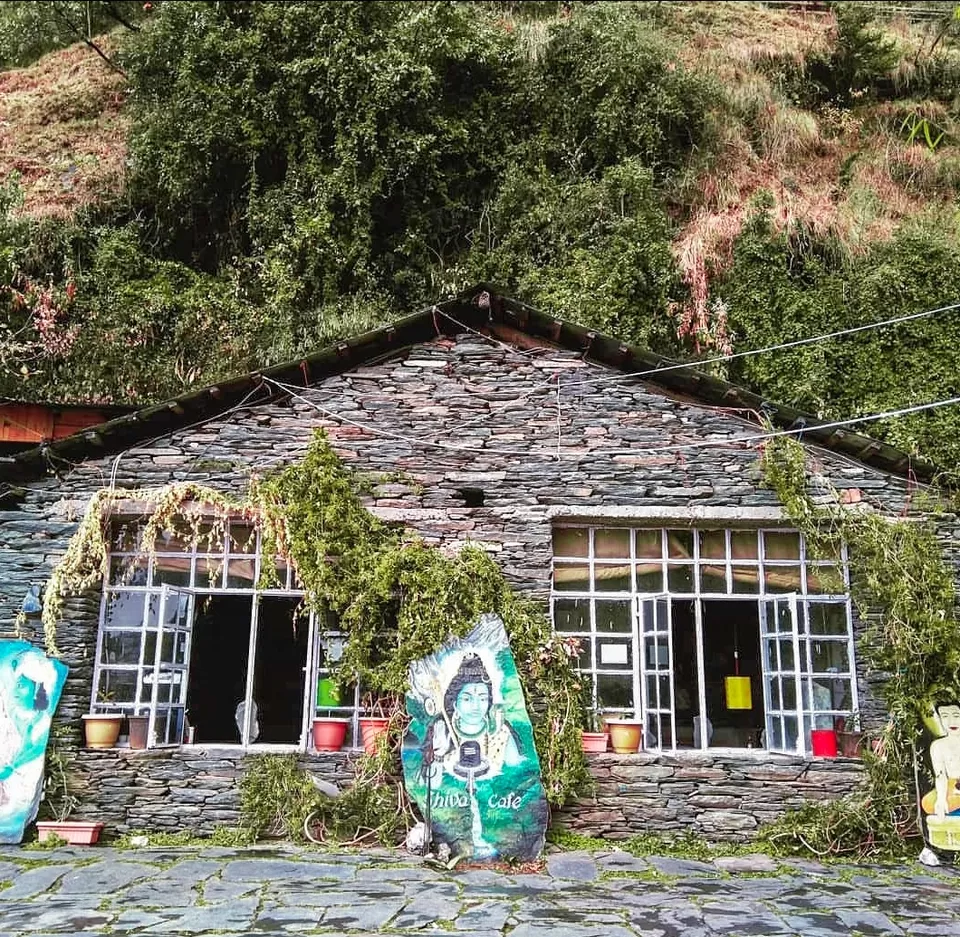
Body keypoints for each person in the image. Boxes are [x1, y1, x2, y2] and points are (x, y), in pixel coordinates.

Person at [424, 653, 522, 782]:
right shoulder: (443, 730)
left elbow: (516, 773)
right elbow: (433, 785)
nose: (475, 706)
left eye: (482, 698)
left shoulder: (500, 732)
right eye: (466, 698)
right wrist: (438, 756)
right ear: (455, 703)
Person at [922, 703, 960, 819]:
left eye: (956, 715)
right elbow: (940, 775)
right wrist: (941, 799)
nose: (950, 722)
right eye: (944, 716)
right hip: (952, 788)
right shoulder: (938, 746)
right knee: (927, 803)